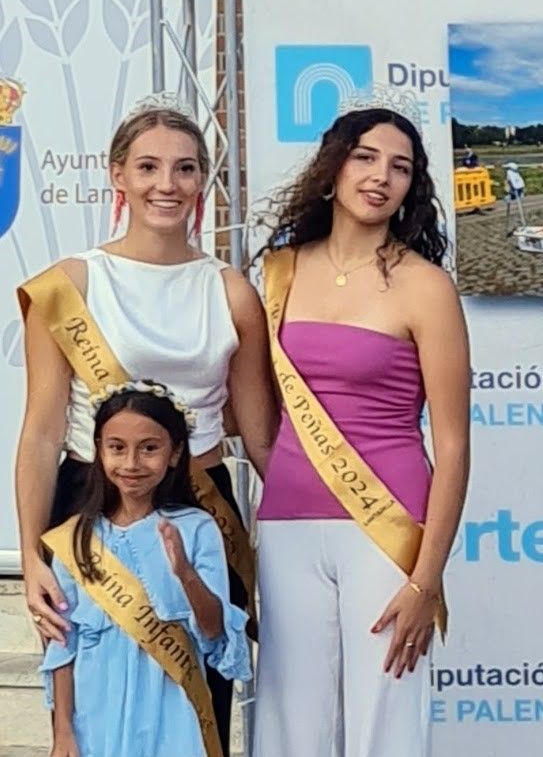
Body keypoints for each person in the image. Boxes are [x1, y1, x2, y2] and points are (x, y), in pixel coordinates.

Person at [14, 100, 277, 755]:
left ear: (202, 181)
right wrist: (29, 557)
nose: (168, 183)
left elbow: (262, 435)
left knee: (198, 708)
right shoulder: (70, 284)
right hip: (90, 507)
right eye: (149, 166)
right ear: (118, 177)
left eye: (185, 168)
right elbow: (42, 432)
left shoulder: (232, 291)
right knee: (87, 710)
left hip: (201, 504)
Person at [249, 97, 473, 757]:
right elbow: (259, 415)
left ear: (412, 187)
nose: (380, 175)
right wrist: (294, 474)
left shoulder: (425, 285)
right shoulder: (278, 271)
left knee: (386, 720)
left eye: (400, 167)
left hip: (387, 527)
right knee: (290, 721)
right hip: (287, 523)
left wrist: (424, 578)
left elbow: (454, 444)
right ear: (332, 167)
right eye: (365, 156)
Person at [39, 381, 252, 757]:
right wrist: (63, 732)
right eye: (117, 448)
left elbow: (215, 631)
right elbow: (62, 644)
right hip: (96, 708)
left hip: (170, 706)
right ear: (99, 451)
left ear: (175, 454)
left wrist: (185, 572)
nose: (132, 463)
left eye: (149, 448)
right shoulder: (76, 537)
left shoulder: (197, 528)